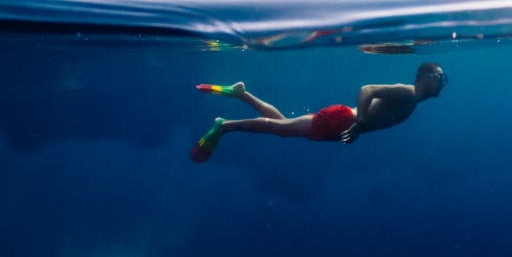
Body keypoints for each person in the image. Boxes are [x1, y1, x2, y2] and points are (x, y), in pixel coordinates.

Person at [190, 62, 447, 163]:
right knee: (280, 129)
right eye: (440, 78)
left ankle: (240, 93)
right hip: (342, 119)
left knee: (282, 125)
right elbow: (367, 89)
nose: (442, 84)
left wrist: (358, 125)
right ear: (425, 78)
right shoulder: (407, 93)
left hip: (339, 125)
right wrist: (359, 123)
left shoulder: (412, 101)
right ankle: (225, 125)